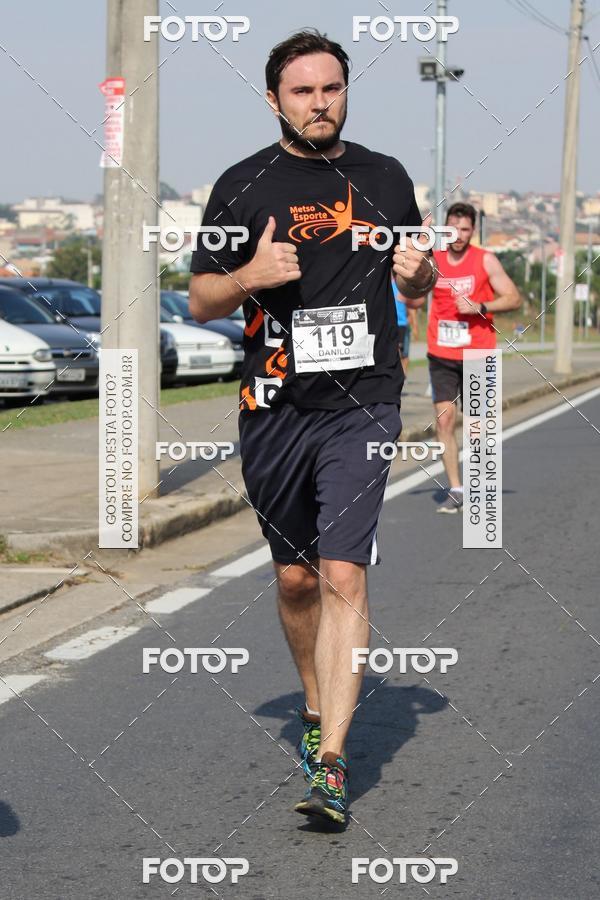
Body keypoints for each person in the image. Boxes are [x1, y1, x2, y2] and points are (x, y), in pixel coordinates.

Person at [188, 30, 435, 826]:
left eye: (332, 88)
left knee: (343, 573)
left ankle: (331, 761)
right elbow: (200, 301)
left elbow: (420, 273)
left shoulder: (386, 178)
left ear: (345, 93)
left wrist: (420, 276)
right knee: (295, 579)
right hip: (274, 408)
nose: (320, 102)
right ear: (275, 100)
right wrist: (247, 277)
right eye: (303, 91)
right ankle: (312, 702)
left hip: (364, 401)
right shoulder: (241, 185)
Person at [417, 202, 520, 513]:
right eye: (453, 229)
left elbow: (513, 297)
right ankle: (456, 489)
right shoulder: (433, 260)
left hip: (478, 351)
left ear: (473, 230)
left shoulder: (485, 260)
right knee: (445, 421)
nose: (458, 235)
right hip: (441, 351)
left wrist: (481, 306)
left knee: (477, 426)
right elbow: (413, 295)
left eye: (465, 229)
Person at [392, 277, 419, 376]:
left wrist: (414, 325)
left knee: (405, 354)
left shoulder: (404, 288)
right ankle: (398, 374)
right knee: (397, 350)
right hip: (393, 324)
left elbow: (411, 308)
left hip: (403, 324)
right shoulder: (388, 286)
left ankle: (402, 375)